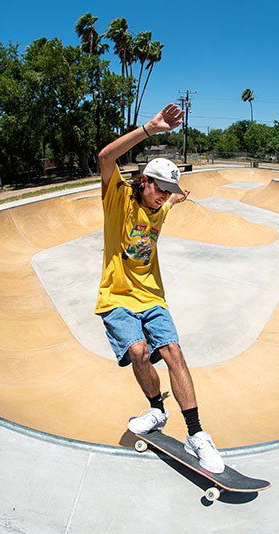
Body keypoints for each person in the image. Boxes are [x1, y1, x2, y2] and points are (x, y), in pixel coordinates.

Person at [95, 103, 225, 474]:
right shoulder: (118, 199)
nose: (162, 198)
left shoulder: (163, 205)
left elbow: (175, 198)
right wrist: (150, 129)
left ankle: (197, 434)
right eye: (159, 190)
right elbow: (105, 157)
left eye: (168, 193)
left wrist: (178, 194)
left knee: (173, 352)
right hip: (116, 296)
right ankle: (156, 409)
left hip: (152, 297)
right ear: (144, 181)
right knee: (138, 350)